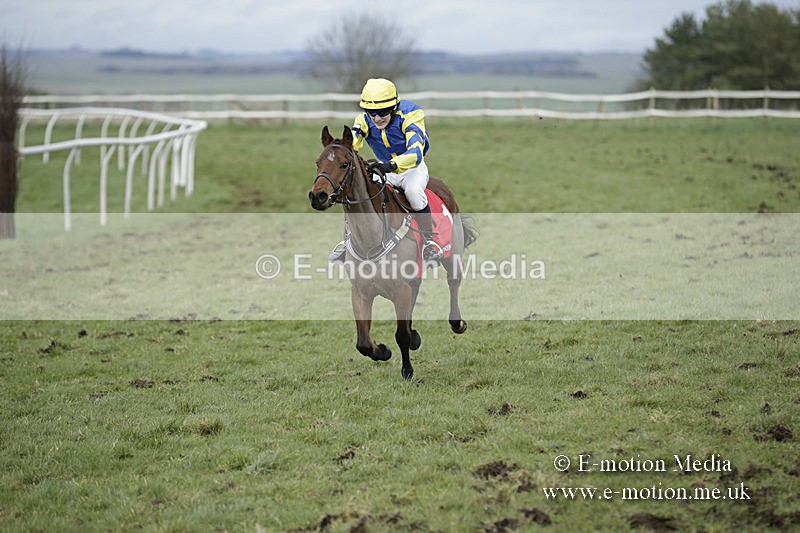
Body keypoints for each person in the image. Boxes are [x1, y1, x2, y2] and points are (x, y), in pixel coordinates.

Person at [330, 77, 442, 262]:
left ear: (394, 107)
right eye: (371, 112)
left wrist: (390, 165)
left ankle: (430, 242)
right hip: (384, 170)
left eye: (382, 112)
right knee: (356, 193)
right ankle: (348, 243)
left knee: (413, 192)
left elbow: (416, 152)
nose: (376, 118)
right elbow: (351, 144)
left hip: (411, 169)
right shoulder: (364, 120)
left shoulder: (412, 114)